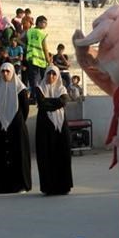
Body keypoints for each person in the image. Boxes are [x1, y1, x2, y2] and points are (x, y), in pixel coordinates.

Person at [0, 62, 31, 194]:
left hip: (16, 125)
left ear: (13, 73)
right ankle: (3, 186)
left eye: (7, 71)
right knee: (3, 156)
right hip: (1, 125)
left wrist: (18, 121)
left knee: (18, 155)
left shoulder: (20, 89)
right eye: (2, 71)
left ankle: (20, 185)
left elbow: (25, 108)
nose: (5, 74)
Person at [35, 66, 73, 195]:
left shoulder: (62, 89)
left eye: (54, 74)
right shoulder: (40, 88)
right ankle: (48, 187)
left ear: (57, 76)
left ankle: (63, 186)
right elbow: (41, 103)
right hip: (45, 127)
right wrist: (55, 102)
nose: (51, 76)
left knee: (62, 154)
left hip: (60, 127)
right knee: (46, 155)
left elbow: (63, 101)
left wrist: (48, 103)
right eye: (48, 74)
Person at [26, 16, 51, 102]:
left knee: (33, 80)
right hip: (40, 59)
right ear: (39, 22)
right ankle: (43, 96)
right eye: (44, 23)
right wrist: (48, 60)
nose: (46, 25)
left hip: (31, 58)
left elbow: (19, 39)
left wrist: (27, 46)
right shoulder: (42, 33)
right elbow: (45, 48)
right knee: (43, 79)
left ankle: (34, 97)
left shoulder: (29, 31)